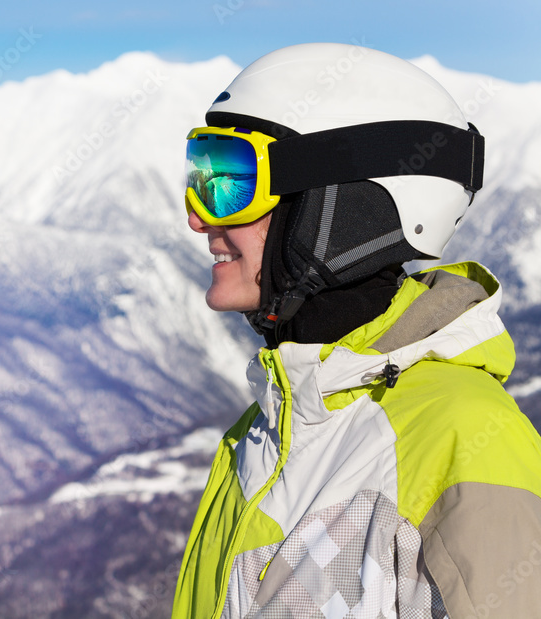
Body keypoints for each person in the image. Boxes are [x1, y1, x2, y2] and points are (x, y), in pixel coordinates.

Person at [171, 43, 541, 618]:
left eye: (231, 181)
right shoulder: (264, 432)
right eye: (202, 174)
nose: (198, 217)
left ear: (340, 211)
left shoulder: (464, 437)